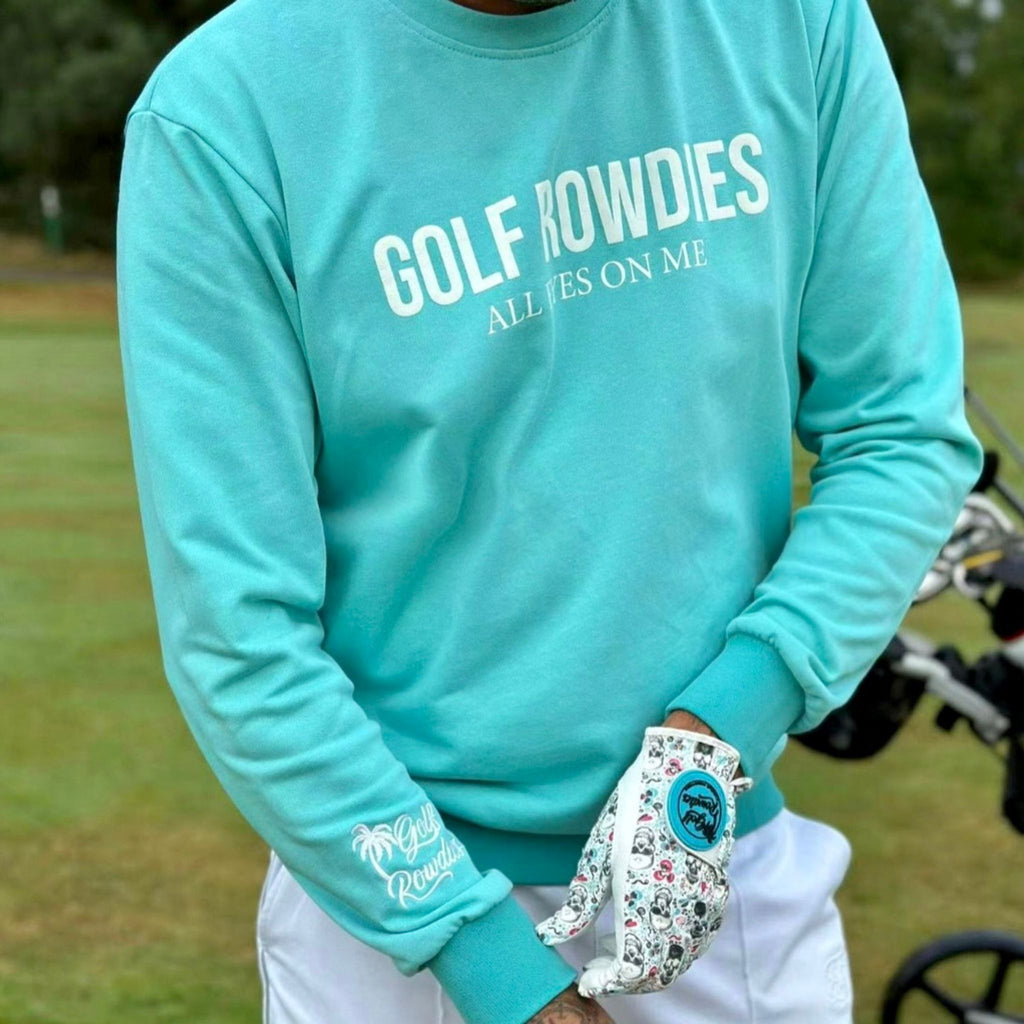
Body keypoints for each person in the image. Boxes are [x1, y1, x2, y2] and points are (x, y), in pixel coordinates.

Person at [114, 0, 983, 1020]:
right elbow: (237, 629)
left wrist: (711, 738)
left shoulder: (795, 19)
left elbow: (900, 432)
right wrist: (488, 962)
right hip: (391, 917)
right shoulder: (224, 109)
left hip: (718, 873)